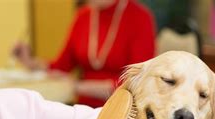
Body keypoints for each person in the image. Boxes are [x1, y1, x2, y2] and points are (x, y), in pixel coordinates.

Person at [13, 0, 156, 107]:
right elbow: (61, 67)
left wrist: (79, 87)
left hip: (122, 109)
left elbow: (137, 81)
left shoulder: (140, 17)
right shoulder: (83, 15)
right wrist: (29, 62)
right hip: (82, 108)